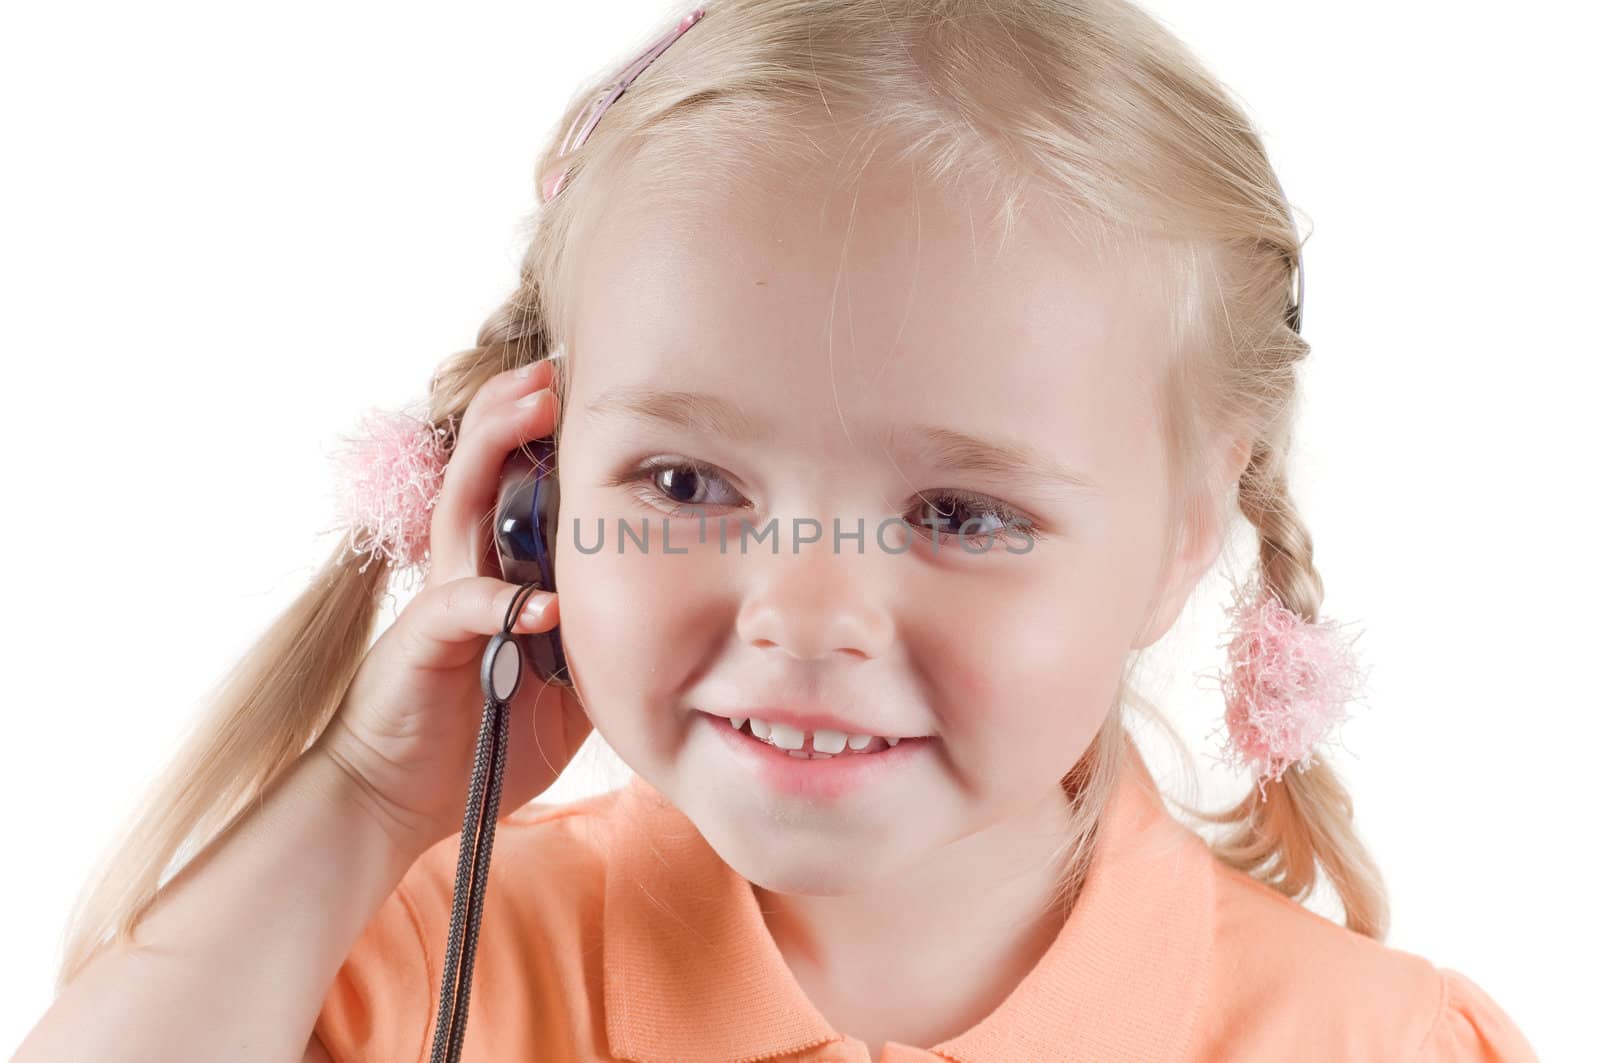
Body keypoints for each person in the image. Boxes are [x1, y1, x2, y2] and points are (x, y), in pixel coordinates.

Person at [15, 0, 1539, 1060]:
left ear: (1184, 531)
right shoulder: (408, 957)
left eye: (961, 512)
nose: (805, 617)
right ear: (534, 494)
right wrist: (364, 796)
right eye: (685, 486)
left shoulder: (1377, 1043)